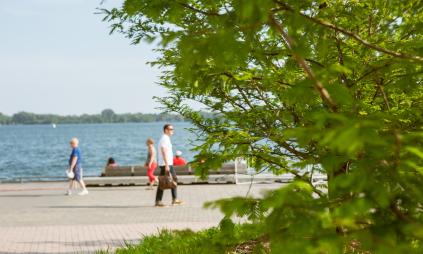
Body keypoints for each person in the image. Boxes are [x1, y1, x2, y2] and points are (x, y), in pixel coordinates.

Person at [155, 124, 183, 207]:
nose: (172, 130)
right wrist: (167, 164)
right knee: (165, 181)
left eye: (172, 129)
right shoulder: (164, 138)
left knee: (171, 179)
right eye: (171, 129)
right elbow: (163, 151)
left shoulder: (166, 138)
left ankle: (174, 199)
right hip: (165, 164)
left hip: (167, 163)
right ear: (166, 130)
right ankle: (160, 201)